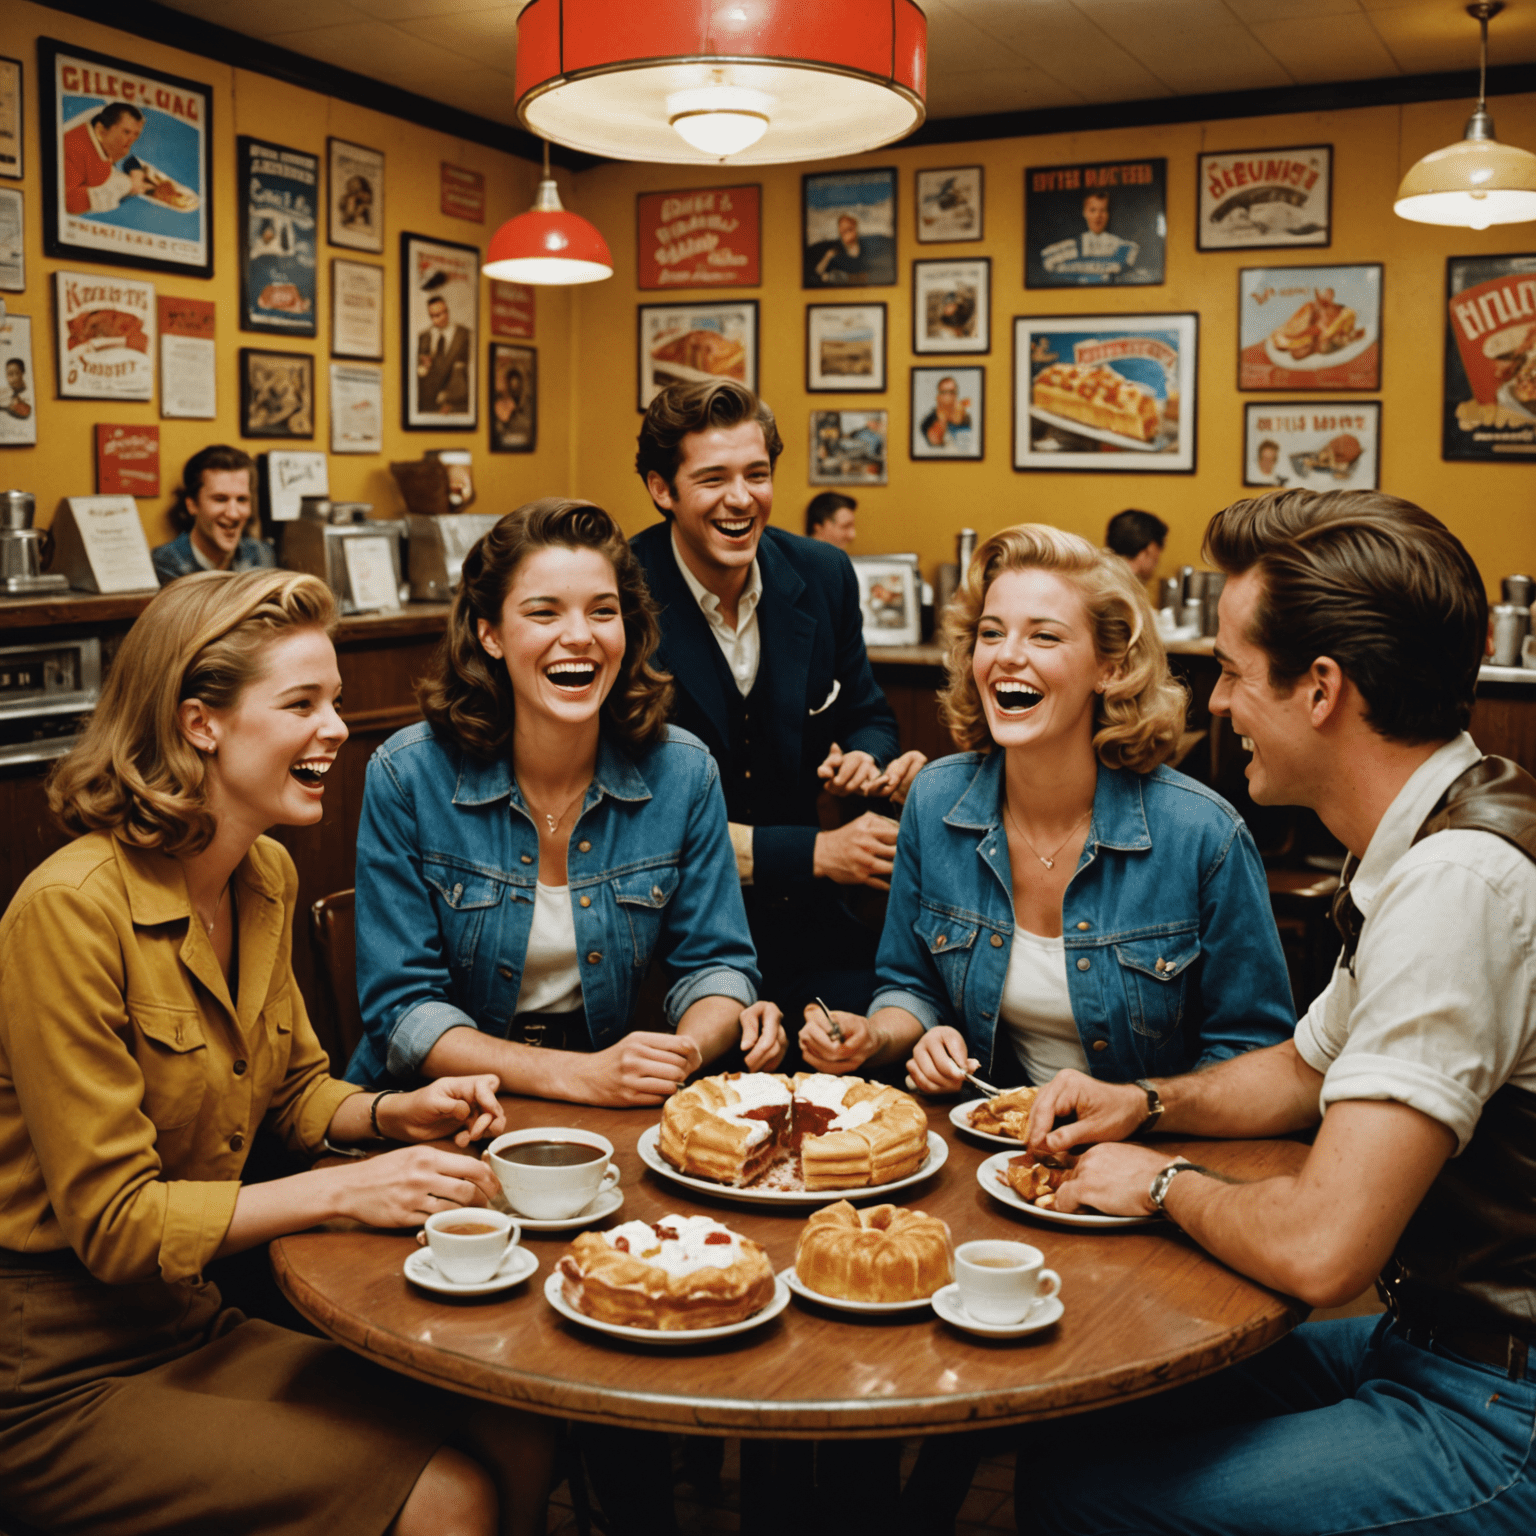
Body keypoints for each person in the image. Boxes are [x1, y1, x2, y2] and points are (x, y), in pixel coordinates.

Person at [1018, 489, 1536, 1536]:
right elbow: (1305, 1068)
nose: (1213, 703)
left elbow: (1322, 1251)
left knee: (1091, 1498)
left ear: (1322, 690)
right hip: (1431, 1343)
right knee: (1077, 1413)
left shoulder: (1457, 889)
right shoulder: (1439, 824)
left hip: (1498, 1406)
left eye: (1234, 674)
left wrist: (1160, 1184)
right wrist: (1142, 1103)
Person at [0, 568, 552, 1536]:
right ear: (199, 723)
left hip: (190, 1324)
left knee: (519, 1418)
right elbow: (118, 1225)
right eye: (303, 702)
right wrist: (348, 1189)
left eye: (334, 698)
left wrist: (393, 1113)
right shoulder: (67, 912)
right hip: (54, 1376)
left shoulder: (262, 873)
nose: (338, 726)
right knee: (449, 1497)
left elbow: (294, 1088)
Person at [801, 522, 1292, 1095]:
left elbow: (1255, 1048)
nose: (1008, 656)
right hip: (991, 1147)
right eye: (991, 633)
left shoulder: (1202, 833)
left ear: (1109, 668)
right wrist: (881, 1036)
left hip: (1150, 1158)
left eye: (1044, 638)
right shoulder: (934, 802)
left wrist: (1142, 1108)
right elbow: (911, 984)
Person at [346, 498, 782, 1103]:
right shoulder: (408, 773)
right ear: (490, 634)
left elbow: (718, 966)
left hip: (604, 1099)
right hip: (426, 1109)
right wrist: (582, 1076)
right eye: (543, 613)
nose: (578, 636)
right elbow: (404, 1012)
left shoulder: (683, 772)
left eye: (603, 612)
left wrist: (679, 1053)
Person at [630, 379, 925, 1033]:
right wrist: (818, 852)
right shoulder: (617, 596)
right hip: (662, 941)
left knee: (893, 1044)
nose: (742, 499)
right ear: (662, 489)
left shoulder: (822, 574)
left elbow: (869, 715)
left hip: (811, 929)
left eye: (756, 474)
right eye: (713, 479)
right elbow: (636, 819)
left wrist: (865, 761)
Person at [151, 445, 277, 586]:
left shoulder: (262, 554)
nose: (233, 514)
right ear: (192, 505)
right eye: (220, 499)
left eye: (242, 499)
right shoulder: (165, 563)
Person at [63, 101, 145, 216]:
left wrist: (135, 169)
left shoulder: (105, 143)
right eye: (126, 132)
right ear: (100, 130)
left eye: (136, 134)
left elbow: (122, 154)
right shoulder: (74, 149)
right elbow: (67, 202)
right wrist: (125, 186)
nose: (132, 140)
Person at [1040, 189, 1142, 283]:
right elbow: (1048, 264)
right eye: (1093, 210)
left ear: (1108, 214)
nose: (1098, 216)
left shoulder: (1123, 247)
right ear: (1085, 213)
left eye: (1103, 210)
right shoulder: (1071, 247)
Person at [417, 292, 471, 415]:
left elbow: (467, 375)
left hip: (454, 405)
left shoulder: (464, 336)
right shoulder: (424, 337)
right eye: (433, 316)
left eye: (441, 314)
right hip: (426, 407)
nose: (438, 319)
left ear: (447, 311)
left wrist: (451, 399)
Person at [807, 212, 895, 286]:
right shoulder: (836, 252)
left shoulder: (868, 248)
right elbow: (819, 273)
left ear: (855, 228)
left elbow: (886, 273)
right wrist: (827, 257)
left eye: (849, 229)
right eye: (843, 231)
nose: (846, 235)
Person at [1105, 507, 1168, 583]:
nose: (1157, 562)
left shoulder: (1096, 579)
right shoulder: (1128, 591)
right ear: (1149, 550)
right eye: (1157, 557)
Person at [920, 374, 974, 452]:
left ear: (956, 395)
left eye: (952, 392)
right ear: (938, 396)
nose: (948, 396)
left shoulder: (967, 417)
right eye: (944, 392)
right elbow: (936, 444)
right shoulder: (928, 421)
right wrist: (943, 417)